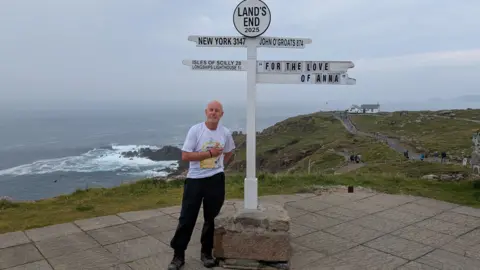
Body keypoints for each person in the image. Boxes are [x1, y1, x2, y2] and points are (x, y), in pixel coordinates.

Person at [168, 100, 236, 270]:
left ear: (222, 114)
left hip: (215, 180)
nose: (213, 113)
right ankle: (178, 256)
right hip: (195, 180)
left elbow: (229, 152)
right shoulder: (196, 130)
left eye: (217, 110)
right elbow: (185, 155)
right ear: (206, 112)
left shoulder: (225, 133)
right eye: (211, 110)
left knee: (211, 219)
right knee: (186, 218)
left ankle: (206, 253)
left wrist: (220, 166)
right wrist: (210, 154)